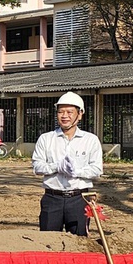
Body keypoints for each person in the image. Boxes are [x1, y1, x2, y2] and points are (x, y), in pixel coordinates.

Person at [31, 92, 103, 236]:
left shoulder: (90, 140)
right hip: (52, 198)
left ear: (80, 114)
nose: (64, 116)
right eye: (60, 112)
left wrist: (77, 171)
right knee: (48, 241)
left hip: (79, 199)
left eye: (69, 112)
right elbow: (37, 166)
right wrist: (56, 167)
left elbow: (97, 169)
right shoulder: (46, 139)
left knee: (79, 241)